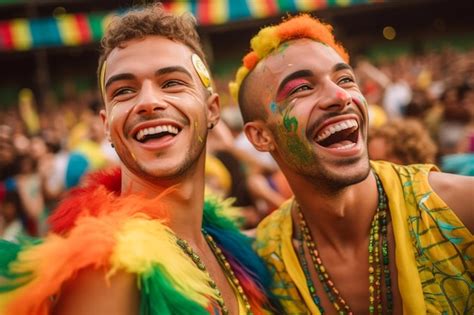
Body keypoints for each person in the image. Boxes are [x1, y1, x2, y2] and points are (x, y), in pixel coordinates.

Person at [0, 4, 279, 315]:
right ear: (106, 124)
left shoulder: (230, 248)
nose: (148, 102)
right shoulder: (110, 269)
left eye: (172, 83)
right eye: (124, 91)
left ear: (212, 109)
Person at [230, 14, 473, 314]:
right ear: (261, 136)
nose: (340, 96)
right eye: (301, 88)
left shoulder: (461, 211)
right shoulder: (261, 263)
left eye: (345, 79)